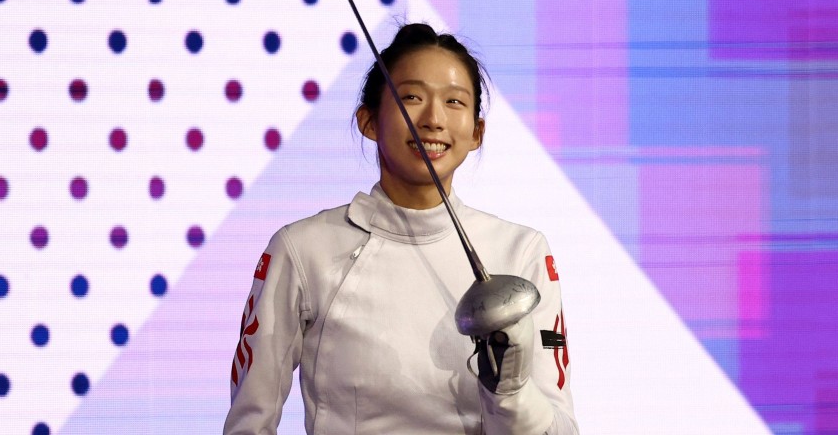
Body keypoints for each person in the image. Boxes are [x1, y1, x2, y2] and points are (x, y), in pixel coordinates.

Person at [224, 23, 579, 435]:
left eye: (454, 102)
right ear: (369, 121)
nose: (433, 120)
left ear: (476, 132)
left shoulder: (521, 252)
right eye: (411, 97)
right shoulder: (304, 250)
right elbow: (249, 423)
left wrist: (511, 390)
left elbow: (561, 428)